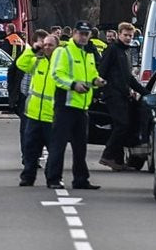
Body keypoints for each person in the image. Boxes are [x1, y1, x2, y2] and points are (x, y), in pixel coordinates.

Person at [46, 20, 106, 190]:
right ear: (73, 33)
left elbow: (91, 74)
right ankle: (53, 178)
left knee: (80, 147)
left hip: (82, 107)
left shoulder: (88, 54)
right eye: (80, 33)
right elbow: (56, 75)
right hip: (65, 105)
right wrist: (73, 85)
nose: (83, 37)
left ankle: (80, 179)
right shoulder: (63, 51)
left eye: (86, 34)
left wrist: (96, 81)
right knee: (59, 144)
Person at [98, 22, 149, 171]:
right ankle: (107, 156)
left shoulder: (124, 52)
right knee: (122, 124)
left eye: (130, 36)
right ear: (118, 34)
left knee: (121, 125)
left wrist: (144, 92)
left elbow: (128, 78)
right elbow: (102, 70)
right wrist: (99, 90)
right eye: (125, 35)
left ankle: (118, 161)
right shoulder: (113, 50)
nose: (128, 38)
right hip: (113, 94)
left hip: (122, 94)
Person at [16, 34, 59, 186]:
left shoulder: (60, 64)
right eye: (45, 44)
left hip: (51, 115)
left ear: (56, 47)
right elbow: (21, 64)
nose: (46, 47)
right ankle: (28, 177)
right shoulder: (37, 61)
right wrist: (33, 50)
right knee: (30, 149)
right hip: (33, 113)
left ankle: (53, 179)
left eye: (50, 45)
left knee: (54, 151)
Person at [10, 29, 47, 168]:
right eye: (40, 42)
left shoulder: (47, 59)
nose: (43, 46)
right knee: (26, 130)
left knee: (39, 133)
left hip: (41, 102)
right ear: (34, 43)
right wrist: (13, 96)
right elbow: (13, 72)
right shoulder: (26, 56)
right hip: (25, 99)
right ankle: (27, 157)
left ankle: (34, 157)